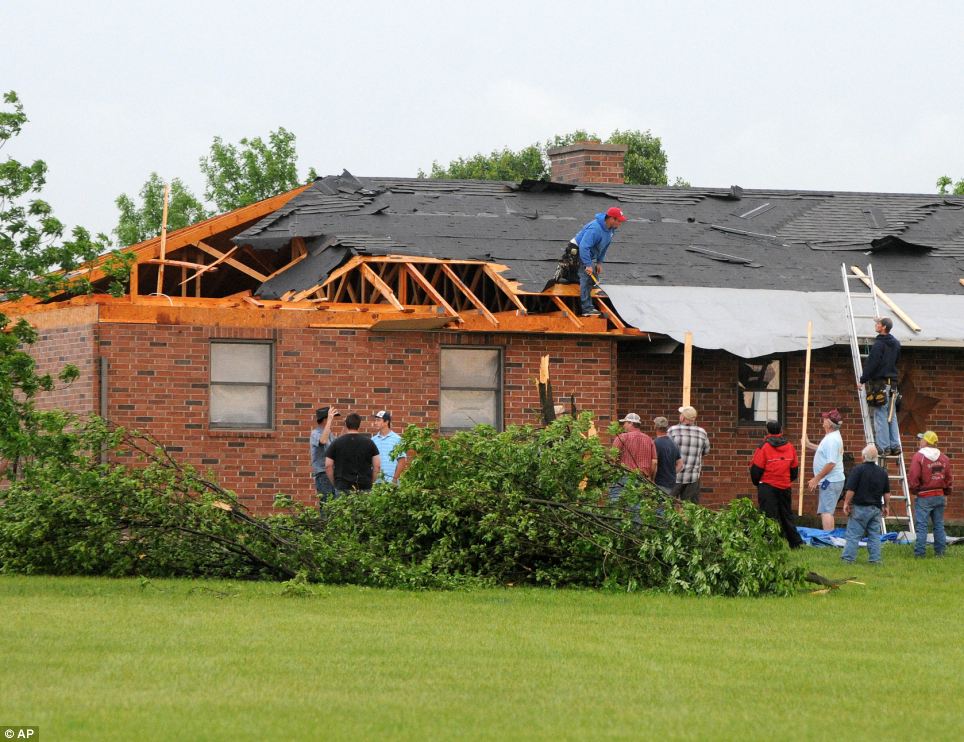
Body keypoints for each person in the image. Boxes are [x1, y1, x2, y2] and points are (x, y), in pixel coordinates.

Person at [750, 420, 803, 548]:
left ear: (766, 431)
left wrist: (758, 483)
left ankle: (770, 544)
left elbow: (756, 468)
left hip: (767, 486)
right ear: (781, 431)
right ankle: (795, 543)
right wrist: (785, 480)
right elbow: (794, 469)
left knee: (768, 516)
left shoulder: (764, 447)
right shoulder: (789, 446)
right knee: (787, 515)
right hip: (785, 486)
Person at [570, 206, 627, 317]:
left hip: (588, 253)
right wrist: (588, 264)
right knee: (587, 277)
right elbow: (583, 247)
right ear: (611, 219)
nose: (620, 223)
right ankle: (587, 309)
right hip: (576, 251)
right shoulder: (595, 229)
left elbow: (605, 246)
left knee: (594, 278)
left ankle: (585, 298)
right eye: (619, 221)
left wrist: (599, 262)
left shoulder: (611, 230)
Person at [858, 317, 902, 455]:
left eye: (878, 324)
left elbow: (872, 363)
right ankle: (895, 446)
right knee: (892, 415)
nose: (876, 326)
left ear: (883, 327)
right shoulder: (896, 343)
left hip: (880, 385)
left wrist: (863, 380)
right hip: (892, 385)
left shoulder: (878, 345)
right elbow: (896, 360)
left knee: (881, 415)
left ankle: (884, 447)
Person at [841, 444, 890, 564]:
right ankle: (875, 559)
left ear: (863, 456)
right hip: (875, 509)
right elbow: (887, 492)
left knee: (853, 535)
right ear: (876, 458)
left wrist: (846, 503)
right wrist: (886, 506)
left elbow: (851, 489)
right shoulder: (882, 472)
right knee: (874, 536)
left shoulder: (858, 470)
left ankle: (848, 559)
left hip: (860, 508)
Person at [907, 430, 952, 559]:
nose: (920, 441)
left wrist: (915, 491)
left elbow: (913, 477)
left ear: (925, 442)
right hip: (939, 495)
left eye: (921, 439)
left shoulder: (919, 456)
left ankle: (920, 554)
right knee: (939, 525)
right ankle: (940, 553)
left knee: (922, 526)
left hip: (924, 496)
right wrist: (946, 493)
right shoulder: (944, 457)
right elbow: (948, 478)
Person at [805, 408, 847, 530]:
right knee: (827, 510)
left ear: (829, 423)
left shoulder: (832, 439)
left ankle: (829, 539)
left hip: (830, 481)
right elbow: (825, 450)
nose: (822, 421)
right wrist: (809, 445)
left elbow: (831, 463)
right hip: (832, 480)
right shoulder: (832, 437)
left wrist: (816, 479)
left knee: (826, 511)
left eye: (824, 419)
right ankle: (830, 537)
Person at [324, 413, 380, 494]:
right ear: (359, 425)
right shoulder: (369, 443)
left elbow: (328, 465)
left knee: (342, 507)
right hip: (364, 486)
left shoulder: (336, 442)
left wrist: (335, 483)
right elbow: (377, 466)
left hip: (342, 486)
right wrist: (372, 483)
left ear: (346, 424)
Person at [667, 406, 711, 504]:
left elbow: (667, 452)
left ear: (682, 417)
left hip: (674, 476)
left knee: (666, 506)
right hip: (693, 477)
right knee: (690, 510)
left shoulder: (672, 430)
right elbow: (706, 451)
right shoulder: (702, 432)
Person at [309, 406, 339, 502]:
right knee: (326, 504)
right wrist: (329, 421)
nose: (332, 420)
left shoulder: (329, 433)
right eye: (330, 418)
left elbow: (337, 445)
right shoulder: (315, 433)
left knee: (335, 503)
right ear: (325, 419)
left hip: (332, 472)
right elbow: (323, 440)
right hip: (322, 474)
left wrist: (346, 428)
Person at [372, 410, 408, 485]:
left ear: (386, 422)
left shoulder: (397, 439)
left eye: (378, 420)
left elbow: (402, 461)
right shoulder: (373, 440)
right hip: (376, 483)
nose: (375, 423)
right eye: (375, 420)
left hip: (391, 483)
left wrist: (394, 479)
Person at [653, 416, 682, 496]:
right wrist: (672, 473)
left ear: (655, 427)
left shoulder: (655, 443)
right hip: (671, 483)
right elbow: (680, 464)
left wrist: (651, 479)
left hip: (659, 483)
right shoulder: (673, 443)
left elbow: (654, 464)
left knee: (659, 507)